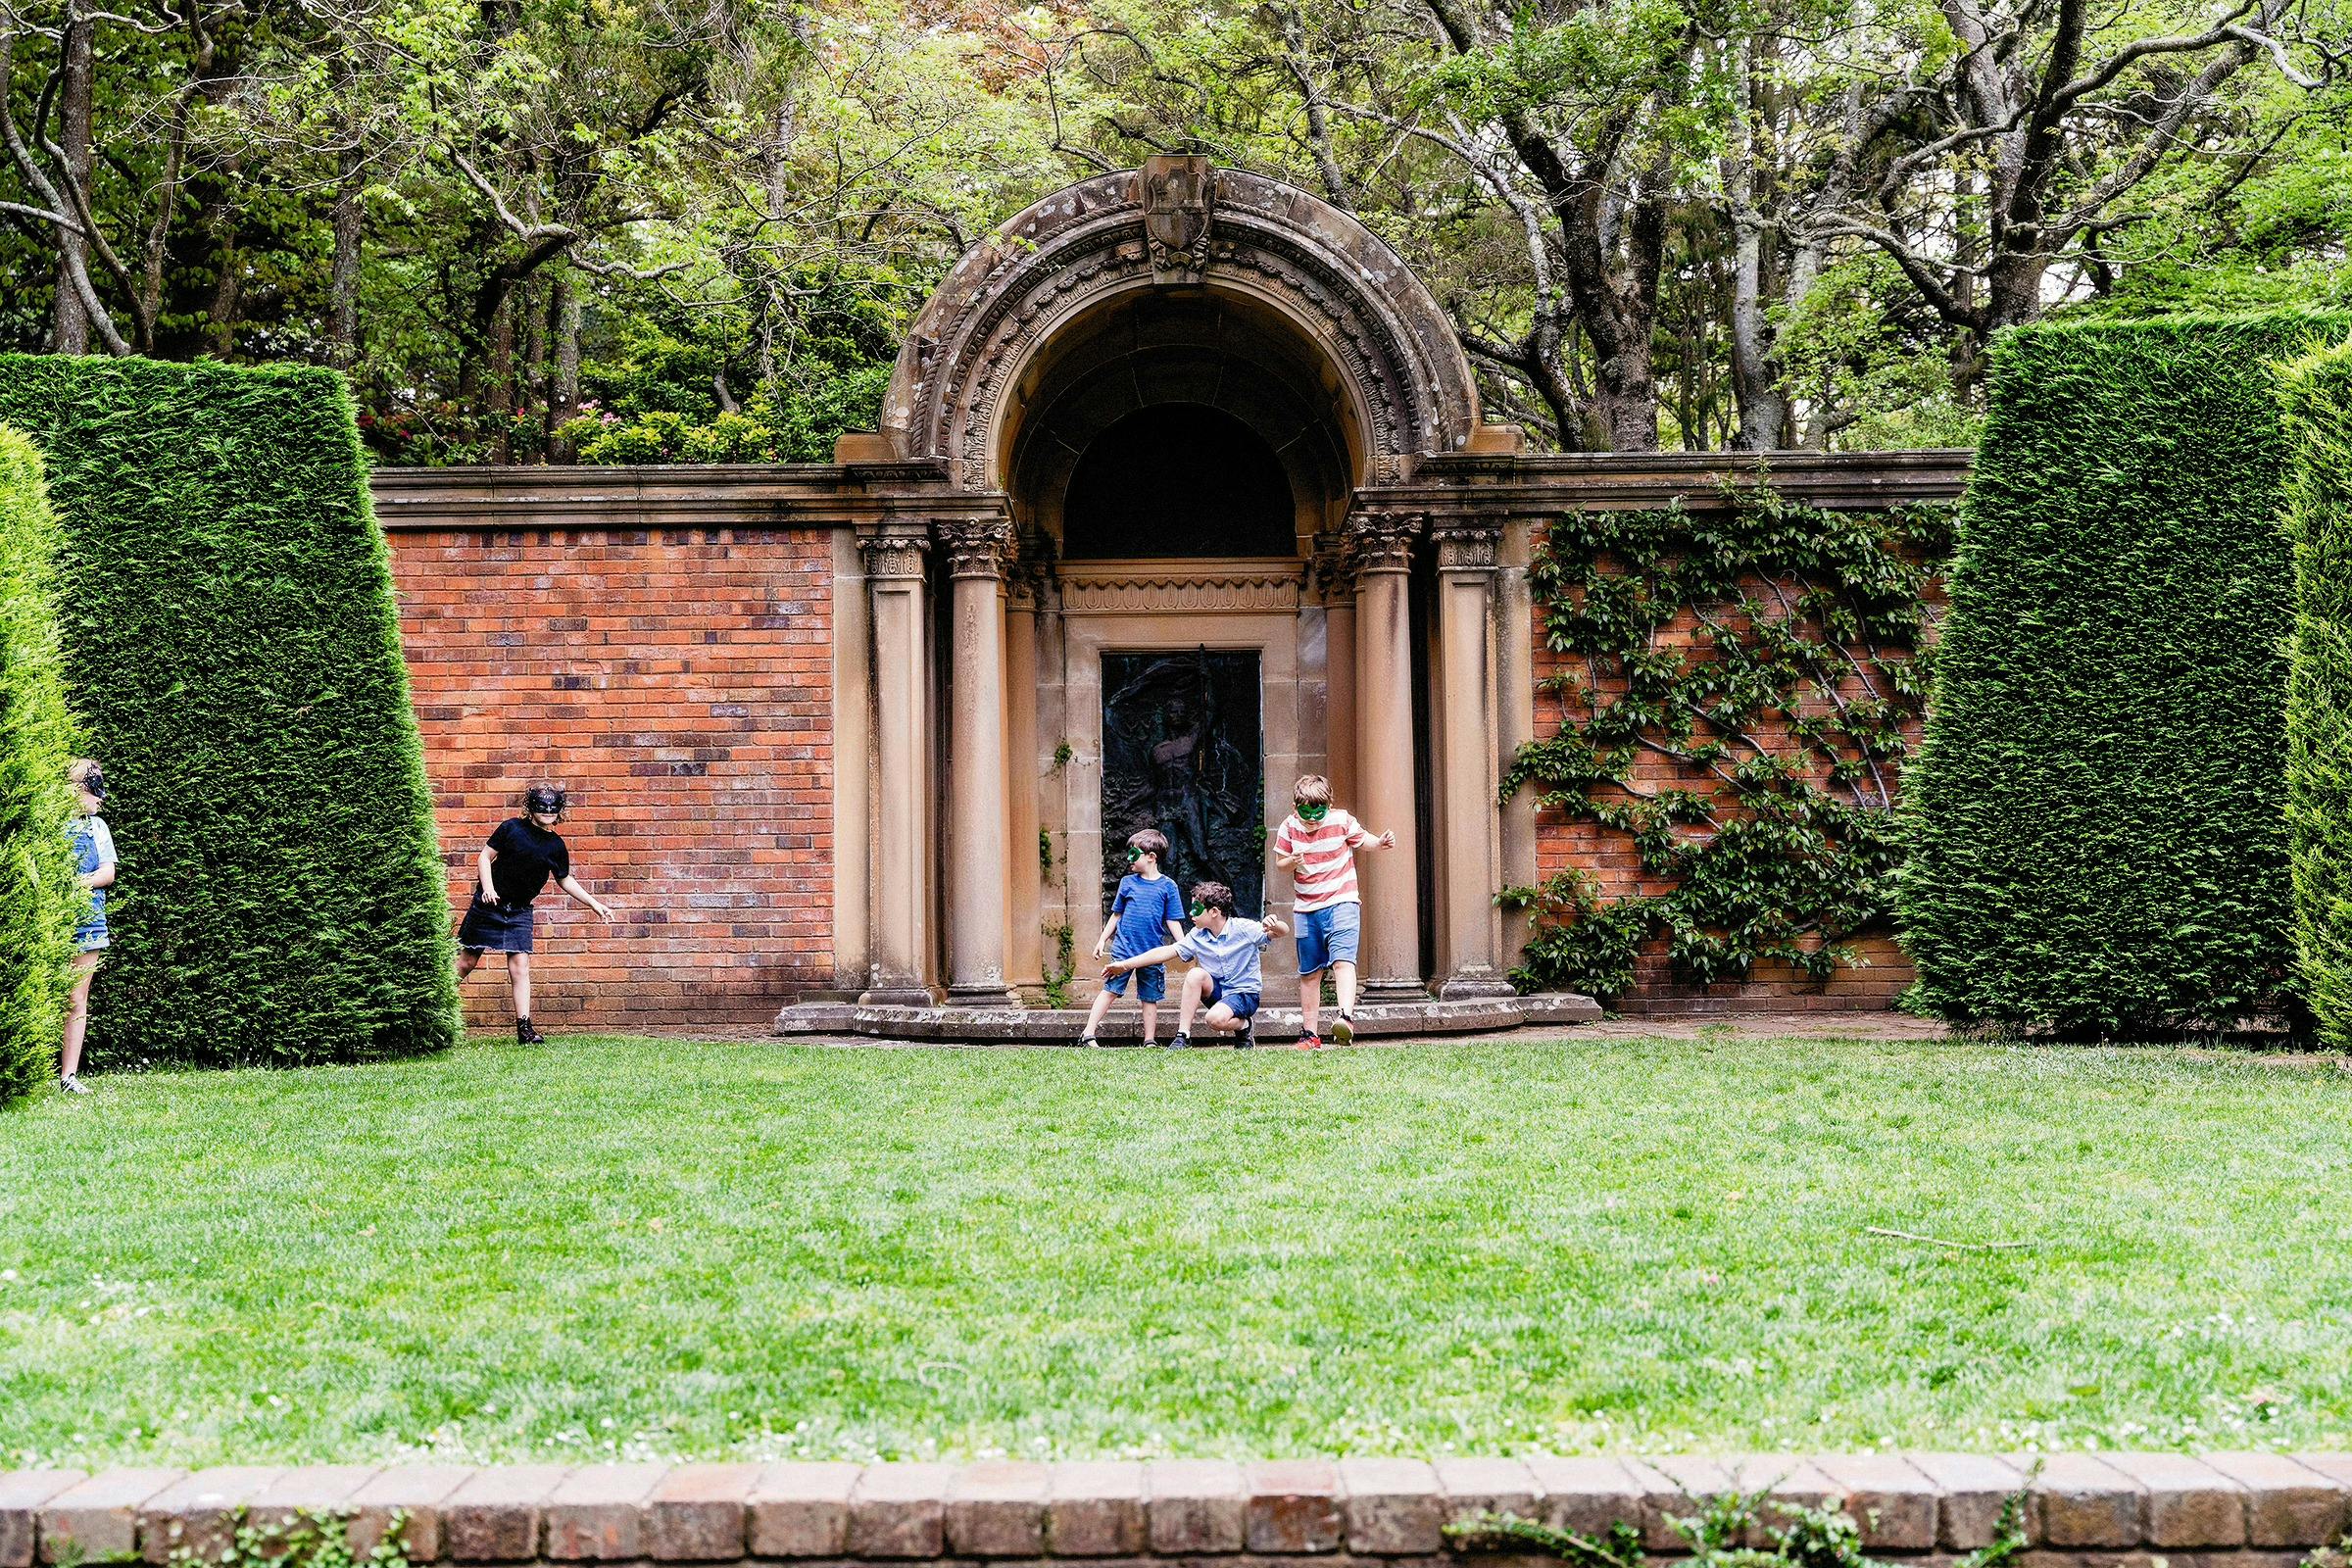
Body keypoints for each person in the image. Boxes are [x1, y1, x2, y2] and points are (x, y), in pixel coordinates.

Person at [455, 784, 614, 1043]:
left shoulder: (555, 845)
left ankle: (525, 1030)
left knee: (520, 967)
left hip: (519, 911)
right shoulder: (511, 828)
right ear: (530, 807)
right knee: (467, 962)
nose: (548, 812)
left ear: (560, 811)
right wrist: (488, 888)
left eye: (553, 809)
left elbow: (565, 879)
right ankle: (433, 1009)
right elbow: (485, 858)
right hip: (489, 905)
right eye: (542, 807)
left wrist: (594, 903)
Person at [1269, 773, 1395, 1050]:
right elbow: (1280, 864)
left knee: (1342, 961)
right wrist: (1292, 860)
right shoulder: (1289, 827)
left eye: (1319, 811)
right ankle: (1309, 1034)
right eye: (1306, 812)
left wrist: (1381, 842)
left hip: (1342, 901)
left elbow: (1364, 841)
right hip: (1306, 908)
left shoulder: (1342, 820)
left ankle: (1345, 1018)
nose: (1312, 818)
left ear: (1329, 804)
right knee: (1310, 974)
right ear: (1295, 807)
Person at [1104, 880, 1288, 1051]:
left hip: (1243, 994)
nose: (1191, 913)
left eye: (1196, 908)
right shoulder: (1197, 935)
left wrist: (1274, 924)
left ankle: (1244, 1025)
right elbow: (1165, 952)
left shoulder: (1243, 928)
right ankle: (1183, 1036)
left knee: (1214, 1019)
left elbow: (1281, 932)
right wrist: (1125, 965)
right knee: (1195, 974)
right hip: (1217, 993)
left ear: (1214, 912)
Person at [1079, 828, 1187, 1048]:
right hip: (1124, 949)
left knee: (1150, 997)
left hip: (1152, 952)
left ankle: (1149, 1041)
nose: (1129, 859)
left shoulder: (1168, 886)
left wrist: (1184, 946)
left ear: (1151, 857)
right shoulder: (1127, 883)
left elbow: (1173, 920)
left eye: (1133, 854)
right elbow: (1116, 915)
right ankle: (1087, 1034)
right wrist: (1102, 940)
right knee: (1110, 990)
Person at [58, 759, 116, 1095]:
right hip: (56, 920)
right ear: (78, 790)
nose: (100, 800)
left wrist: (81, 882)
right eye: (95, 793)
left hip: (89, 924)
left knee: (77, 999)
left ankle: (68, 1077)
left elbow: (108, 873)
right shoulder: (50, 824)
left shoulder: (98, 828)